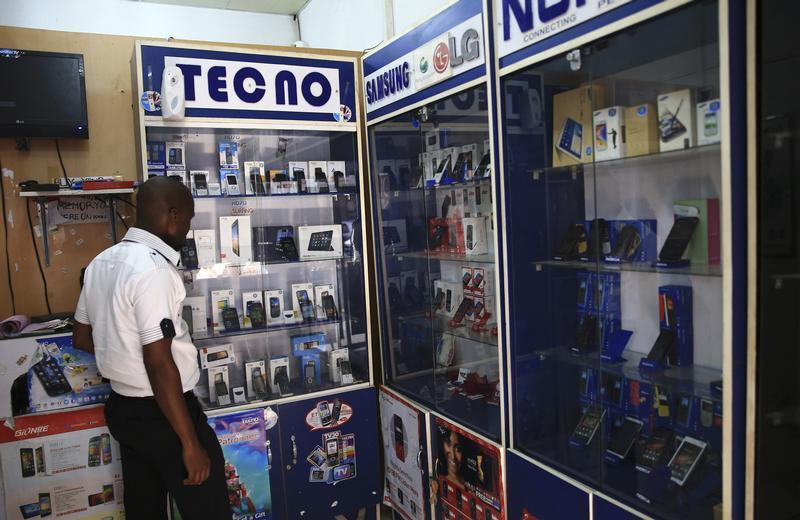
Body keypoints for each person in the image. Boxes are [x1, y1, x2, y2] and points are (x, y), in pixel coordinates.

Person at [72, 177, 231, 519]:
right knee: (209, 509)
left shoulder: (101, 262)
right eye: (188, 219)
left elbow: (81, 338)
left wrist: (121, 355)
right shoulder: (154, 270)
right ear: (173, 216)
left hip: (124, 412)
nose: (188, 229)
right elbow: (159, 364)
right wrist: (190, 444)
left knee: (144, 509)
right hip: (168, 418)